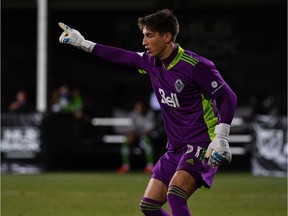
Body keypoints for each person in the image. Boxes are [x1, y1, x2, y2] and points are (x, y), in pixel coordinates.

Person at [59, 9, 237, 216]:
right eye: (144, 35)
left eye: (149, 35)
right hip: (175, 148)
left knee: (175, 195)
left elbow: (228, 97)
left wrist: (222, 137)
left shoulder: (196, 66)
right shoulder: (150, 62)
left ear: (167, 37)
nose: (144, 41)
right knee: (149, 206)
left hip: (202, 143)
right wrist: (83, 43)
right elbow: (121, 56)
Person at [117, 101, 155, 174]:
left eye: (141, 107)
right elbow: (131, 128)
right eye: (138, 107)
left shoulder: (149, 114)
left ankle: (150, 166)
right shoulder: (133, 115)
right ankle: (126, 166)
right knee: (126, 142)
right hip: (135, 137)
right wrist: (131, 135)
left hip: (145, 137)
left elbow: (150, 129)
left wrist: (143, 134)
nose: (140, 109)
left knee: (147, 141)